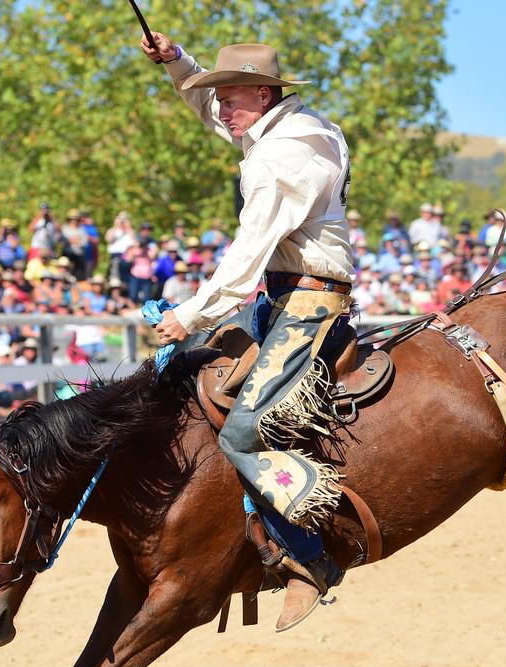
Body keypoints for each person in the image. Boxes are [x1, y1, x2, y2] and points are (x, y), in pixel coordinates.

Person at [144, 33, 354, 631]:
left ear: (261, 94)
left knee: (241, 433)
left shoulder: (276, 161)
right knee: (193, 375)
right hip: (290, 294)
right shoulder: (300, 127)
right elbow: (214, 114)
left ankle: (310, 557)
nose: (221, 110)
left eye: (229, 97)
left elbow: (244, 262)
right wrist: (178, 64)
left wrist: (189, 314)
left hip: (308, 304)